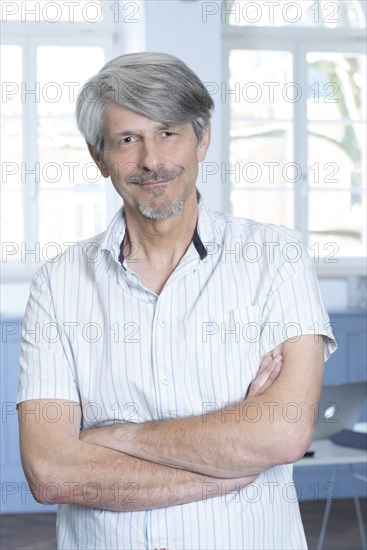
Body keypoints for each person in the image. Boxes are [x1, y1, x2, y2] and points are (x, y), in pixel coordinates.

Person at [18, 52, 336, 550]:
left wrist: (115, 437)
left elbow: (283, 435)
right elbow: (51, 470)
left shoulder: (278, 259)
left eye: (169, 133)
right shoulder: (57, 284)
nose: (151, 160)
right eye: (128, 140)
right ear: (98, 155)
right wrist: (230, 471)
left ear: (202, 138)